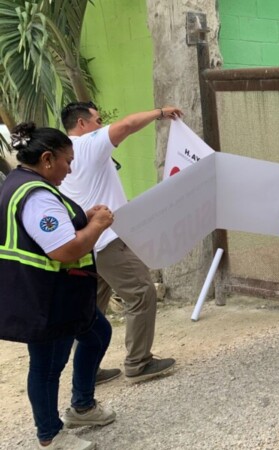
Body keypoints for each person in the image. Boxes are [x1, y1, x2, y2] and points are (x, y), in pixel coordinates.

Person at [0, 123, 117, 450]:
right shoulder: (36, 195)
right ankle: (51, 433)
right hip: (47, 298)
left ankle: (82, 406)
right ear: (48, 159)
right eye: (67, 160)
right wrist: (96, 225)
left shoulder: (20, 181)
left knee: (98, 334)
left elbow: (52, 230)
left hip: (60, 294)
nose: (70, 168)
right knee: (48, 366)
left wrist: (83, 218)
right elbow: (63, 249)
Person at [59, 102, 182, 383]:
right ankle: (139, 362)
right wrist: (160, 113)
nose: (101, 126)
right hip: (108, 241)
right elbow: (126, 125)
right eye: (97, 120)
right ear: (81, 124)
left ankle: (87, 369)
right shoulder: (87, 144)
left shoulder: (63, 153)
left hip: (85, 243)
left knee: (90, 309)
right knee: (140, 292)